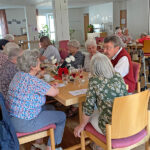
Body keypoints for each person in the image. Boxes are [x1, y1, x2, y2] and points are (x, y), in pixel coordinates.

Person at [6, 49, 66, 150]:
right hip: (25, 122)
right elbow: (55, 92)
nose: (40, 63)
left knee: (50, 107)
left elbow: (34, 86)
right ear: (33, 66)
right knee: (62, 116)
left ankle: (39, 141)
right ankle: (50, 147)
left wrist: (47, 86)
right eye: (38, 62)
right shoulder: (33, 81)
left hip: (12, 118)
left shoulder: (19, 75)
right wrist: (54, 87)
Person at [74, 53, 128, 150]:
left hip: (111, 128)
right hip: (126, 121)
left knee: (89, 116)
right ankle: (98, 145)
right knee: (98, 111)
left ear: (93, 67)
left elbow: (88, 108)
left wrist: (81, 126)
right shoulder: (118, 76)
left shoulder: (94, 80)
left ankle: (99, 145)